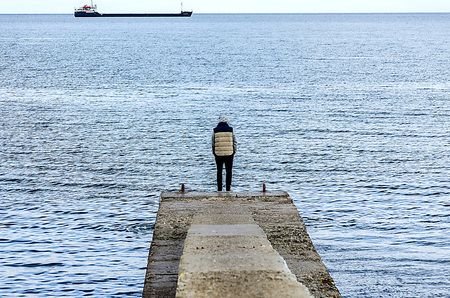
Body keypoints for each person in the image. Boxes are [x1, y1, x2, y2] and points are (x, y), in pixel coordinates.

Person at [212, 115, 237, 192]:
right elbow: (235, 142)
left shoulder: (215, 130)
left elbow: (213, 143)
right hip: (229, 153)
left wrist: (214, 152)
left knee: (219, 171)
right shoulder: (231, 129)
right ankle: (228, 189)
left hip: (218, 153)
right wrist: (234, 151)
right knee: (228, 171)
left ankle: (219, 189)